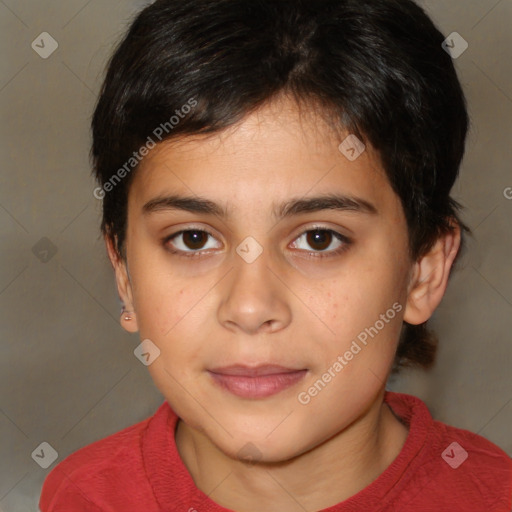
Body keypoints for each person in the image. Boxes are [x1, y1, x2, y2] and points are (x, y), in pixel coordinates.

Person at [39, 0, 512, 510]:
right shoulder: (82, 496)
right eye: (193, 239)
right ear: (124, 273)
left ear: (423, 272)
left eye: (319, 239)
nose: (249, 306)